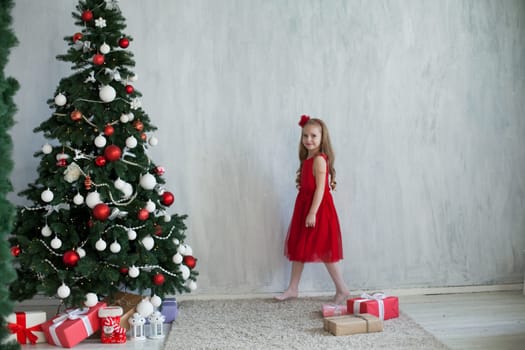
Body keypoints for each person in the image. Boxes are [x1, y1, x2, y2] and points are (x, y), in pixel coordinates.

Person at [276, 115, 350, 304]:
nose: (309, 140)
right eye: (305, 136)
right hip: (305, 206)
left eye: (313, 136)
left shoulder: (319, 160)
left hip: (317, 210)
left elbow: (321, 189)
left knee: (325, 249)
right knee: (299, 246)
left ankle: (342, 289)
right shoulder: (308, 158)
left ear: (321, 138)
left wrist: (312, 212)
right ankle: (293, 288)